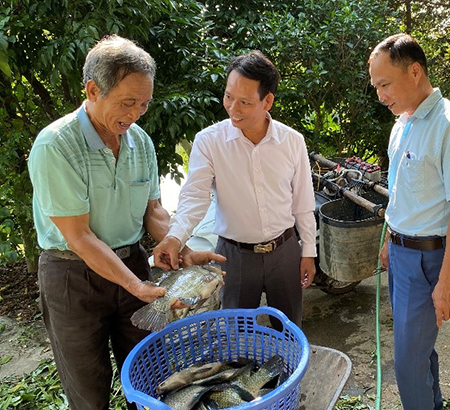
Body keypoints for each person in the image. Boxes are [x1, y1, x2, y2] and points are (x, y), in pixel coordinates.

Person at [28, 35, 223, 410]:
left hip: (131, 260)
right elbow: (79, 237)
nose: (134, 114)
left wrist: (181, 246)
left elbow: (154, 213)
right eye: (127, 102)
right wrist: (135, 285)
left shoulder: (141, 143)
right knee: (89, 388)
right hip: (73, 277)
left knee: (150, 375)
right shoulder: (56, 145)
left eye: (144, 104)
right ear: (92, 90)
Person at [153, 51, 316, 328]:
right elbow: (195, 197)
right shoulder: (209, 142)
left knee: (289, 330)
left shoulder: (292, 141)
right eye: (229, 97)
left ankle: (289, 371)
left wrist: (308, 251)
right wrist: (175, 238)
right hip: (235, 257)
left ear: (267, 101)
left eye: (244, 102)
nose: (233, 109)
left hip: (285, 251)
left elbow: (303, 201)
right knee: (237, 336)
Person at [369, 34, 450, 410]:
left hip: (428, 258)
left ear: (415, 71)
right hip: (400, 254)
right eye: (376, 86)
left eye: (385, 84)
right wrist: (389, 241)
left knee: (407, 363)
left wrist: (447, 281)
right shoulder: (402, 122)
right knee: (417, 350)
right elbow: (401, 192)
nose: (380, 95)